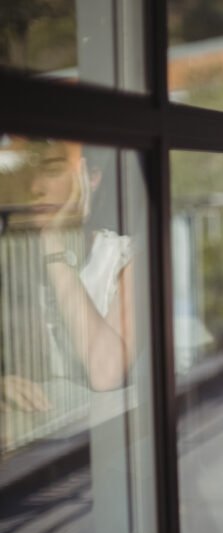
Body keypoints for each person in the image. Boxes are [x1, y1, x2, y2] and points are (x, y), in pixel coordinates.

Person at [0, 138, 134, 415]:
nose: (35, 188)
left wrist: (54, 246)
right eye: (28, 171)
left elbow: (106, 373)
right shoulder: (11, 259)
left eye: (51, 171)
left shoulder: (123, 258)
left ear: (89, 178)